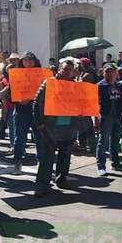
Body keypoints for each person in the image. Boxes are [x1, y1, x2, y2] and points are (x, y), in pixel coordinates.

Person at [33, 59, 80, 196]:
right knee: (47, 158)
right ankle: (42, 185)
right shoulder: (48, 83)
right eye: (65, 69)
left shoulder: (76, 86)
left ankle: (61, 179)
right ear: (60, 69)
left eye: (70, 70)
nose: (67, 72)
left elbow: (81, 105)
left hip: (68, 127)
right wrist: (40, 124)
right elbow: (37, 103)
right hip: (50, 127)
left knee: (65, 156)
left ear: (73, 72)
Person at [11, 52, 44, 173]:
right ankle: (17, 161)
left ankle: (41, 162)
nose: (28, 62)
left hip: (38, 112)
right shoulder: (16, 75)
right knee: (20, 138)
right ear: (22, 62)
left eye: (31, 60)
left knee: (39, 138)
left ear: (35, 61)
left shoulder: (42, 74)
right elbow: (12, 94)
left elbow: (47, 93)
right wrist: (20, 101)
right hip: (21, 111)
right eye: (25, 60)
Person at [96, 63, 122, 175]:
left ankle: (115, 162)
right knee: (103, 141)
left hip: (117, 116)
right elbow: (95, 104)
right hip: (105, 116)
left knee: (115, 141)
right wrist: (96, 119)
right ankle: (101, 166)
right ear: (104, 73)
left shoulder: (119, 86)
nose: (111, 74)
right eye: (108, 72)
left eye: (113, 72)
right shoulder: (99, 86)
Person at [0, 64, 16, 149]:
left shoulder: (19, 79)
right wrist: (8, 87)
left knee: (18, 129)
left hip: (19, 107)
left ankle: (19, 146)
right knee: (12, 127)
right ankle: (13, 145)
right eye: (9, 69)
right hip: (9, 107)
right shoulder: (3, 81)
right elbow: (0, 95)